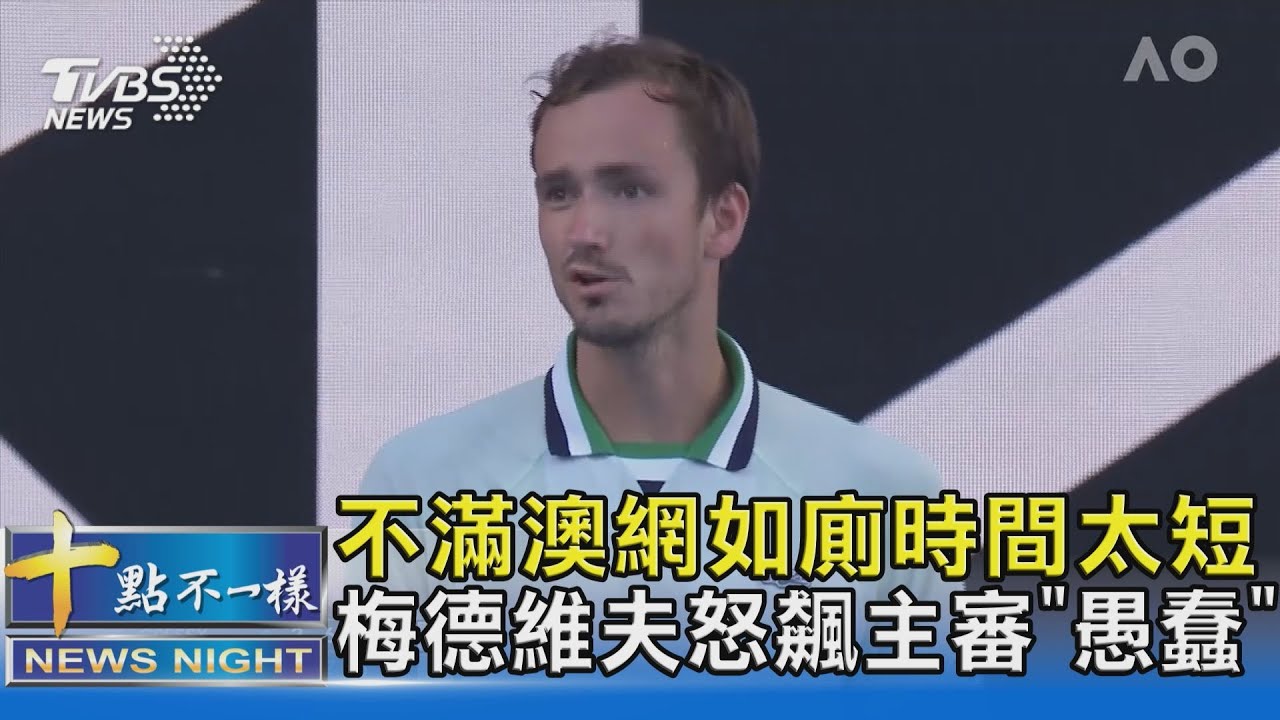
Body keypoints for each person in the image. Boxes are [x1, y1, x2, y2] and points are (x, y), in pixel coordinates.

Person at [357, 34, 953, 660]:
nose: (584, 232)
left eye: (628, 189)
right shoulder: (418, 487)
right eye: (559, 193)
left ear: (724, 218)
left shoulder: (886, 500)